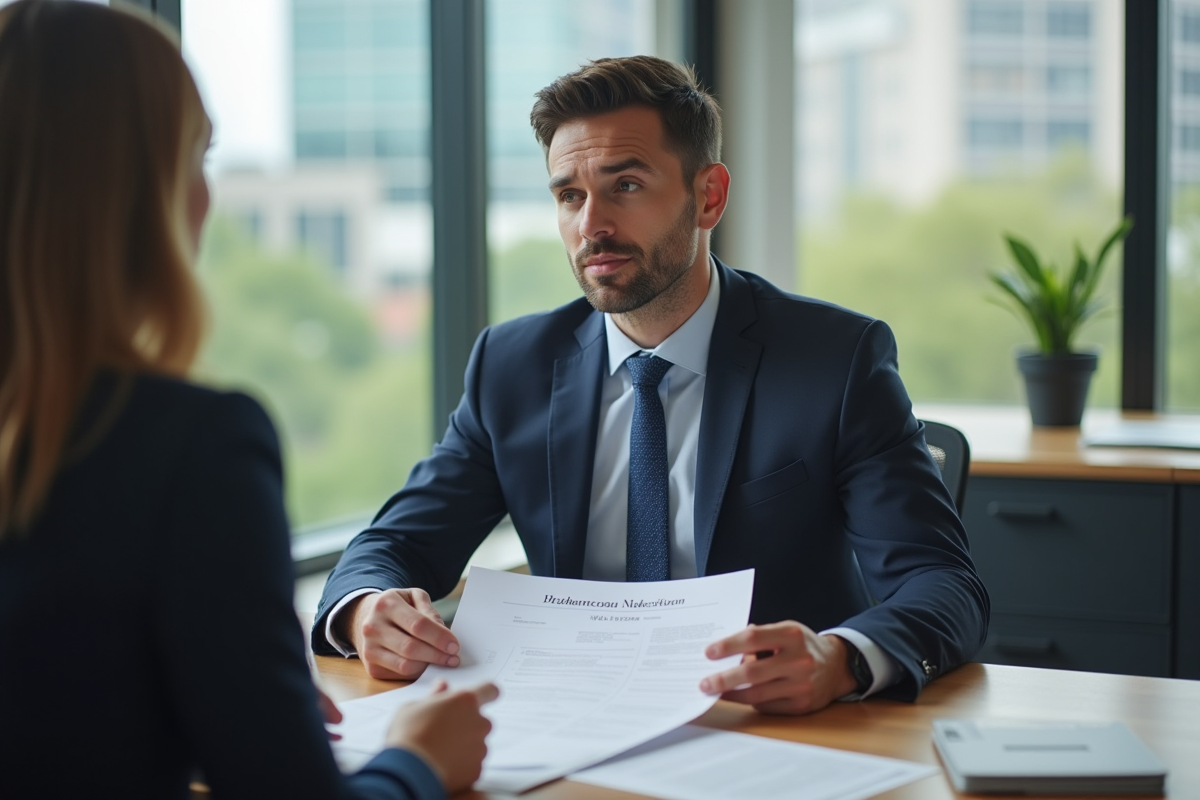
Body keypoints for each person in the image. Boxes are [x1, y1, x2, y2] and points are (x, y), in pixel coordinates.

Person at [314, 55, 989, 715]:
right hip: (570, 724)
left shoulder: (836, 362)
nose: (591, 225)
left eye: (626, 185)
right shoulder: (511, 365)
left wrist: (840, 658)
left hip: (769, 731)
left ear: (708, 196)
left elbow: (943, 584)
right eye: (569, 195)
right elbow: (394, 545)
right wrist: (367, 610)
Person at [0, 2, 496, 798]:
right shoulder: (191, 446)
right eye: (195, 157)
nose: (205, 196)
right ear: (138, 192)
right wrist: (418, 762)